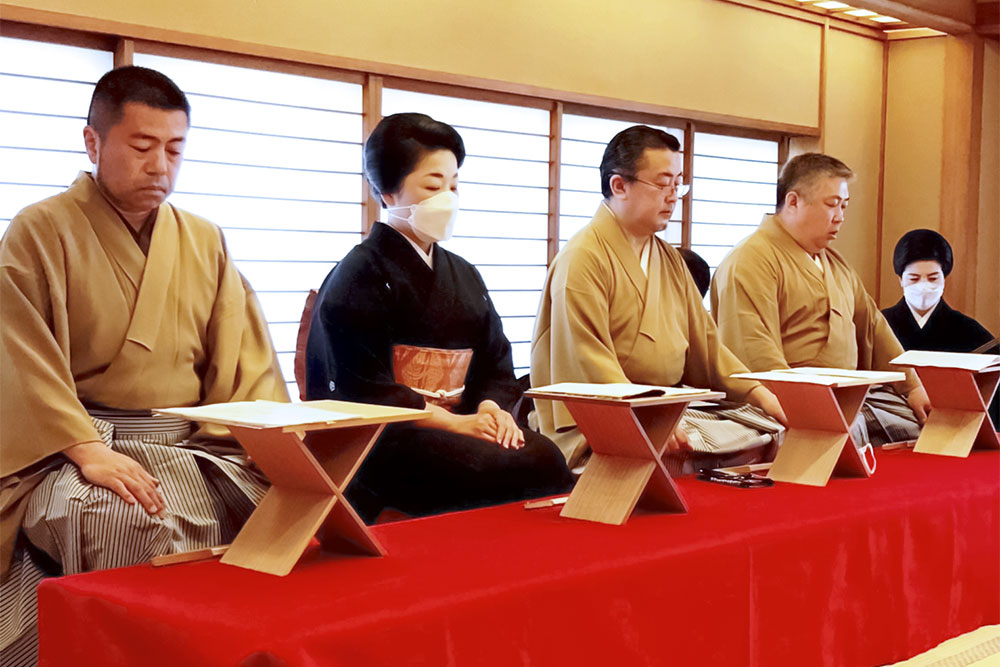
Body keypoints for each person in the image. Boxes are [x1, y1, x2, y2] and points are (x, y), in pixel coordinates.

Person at [0, 66, 288, 665]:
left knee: (286, 513)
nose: (160, 166)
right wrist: (86, 450)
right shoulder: (39, 231)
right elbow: (18, 359)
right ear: (93, 142)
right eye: (142, 146)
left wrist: (278, 453)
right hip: (74, 444)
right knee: (122, 517)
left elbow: (246, 364)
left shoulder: (205, 240)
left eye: (175, 150)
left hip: (195, 442)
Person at [305, 113, 573, 523]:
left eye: (453, 186)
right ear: (387, 190)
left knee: (546, 457)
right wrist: (452, 423)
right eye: (433, 186)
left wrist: (491, 409)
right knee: (483, 468)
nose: (446, 198)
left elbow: (495, 361)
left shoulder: (464, 274)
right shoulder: (357, 276)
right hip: (392, 438)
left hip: (465, 423)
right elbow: (360, 388)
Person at [531, 125, 787, 471]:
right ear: (619, 186)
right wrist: (646, 419)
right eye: (663, 184)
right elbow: (586, 361)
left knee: (766, 430)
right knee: (690, 450)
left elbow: (708, 348)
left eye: (678, 184)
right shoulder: (583, 258)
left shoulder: (669, 260)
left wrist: (759, 393)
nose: (673, 196)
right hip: (602, 420)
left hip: (668, 409)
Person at [710, 152, 931, 447]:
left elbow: (874, 326)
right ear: (793, 201)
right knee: (840, 432)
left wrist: (911, 386)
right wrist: (805, 404)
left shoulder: (834, 263)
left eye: (844, 205)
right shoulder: (750, 260)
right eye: (831, 204)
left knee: (925, 424)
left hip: (848, 395)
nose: (840, 216)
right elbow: (753, 350)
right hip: (783, 400)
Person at [883, 229, 998, 428]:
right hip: (893, 423)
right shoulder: (881, 325)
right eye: (914, 278)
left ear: (944, 278)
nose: (924, 286)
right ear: (900, 279)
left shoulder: (970, 331)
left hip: (953, 425)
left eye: (933, 278)